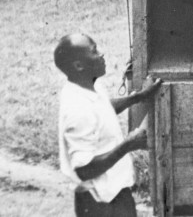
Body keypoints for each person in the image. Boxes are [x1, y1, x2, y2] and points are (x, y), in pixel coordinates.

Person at [54, 34, 162, 217]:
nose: (101, 54)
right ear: (79, 66)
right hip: (100, 204)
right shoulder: (77, 110)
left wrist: (138, 97)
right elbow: (84, 170)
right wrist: (129, 144)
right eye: (94, 51)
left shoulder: (87, 85)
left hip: (114, 194)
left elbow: (102, 107)